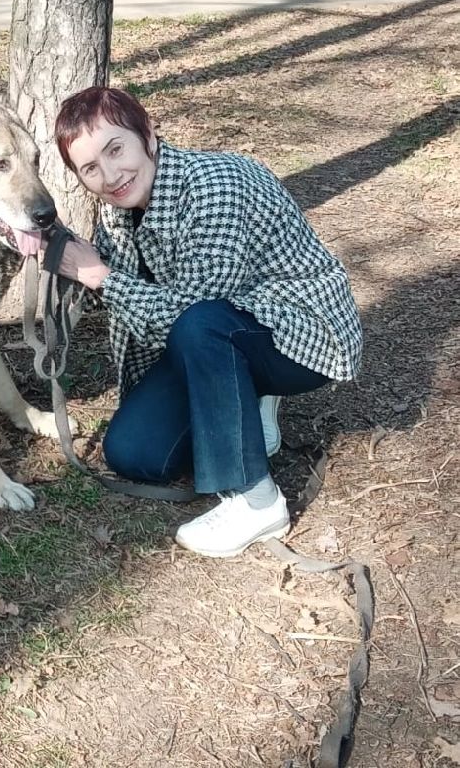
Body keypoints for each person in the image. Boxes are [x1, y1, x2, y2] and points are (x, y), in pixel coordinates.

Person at [52, 86, 362, 558]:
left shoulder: (215, 187)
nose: (110, 174)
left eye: (116, 149)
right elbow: (117, 295)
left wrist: (98, 276)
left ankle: (257, 500)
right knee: (135, 454)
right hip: (217, 337)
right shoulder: (118, 208)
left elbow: (182, 315)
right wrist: (58, 248)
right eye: (90, 168)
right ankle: (249, 398)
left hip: (301, 333)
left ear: (148, 135)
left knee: (201, 323)